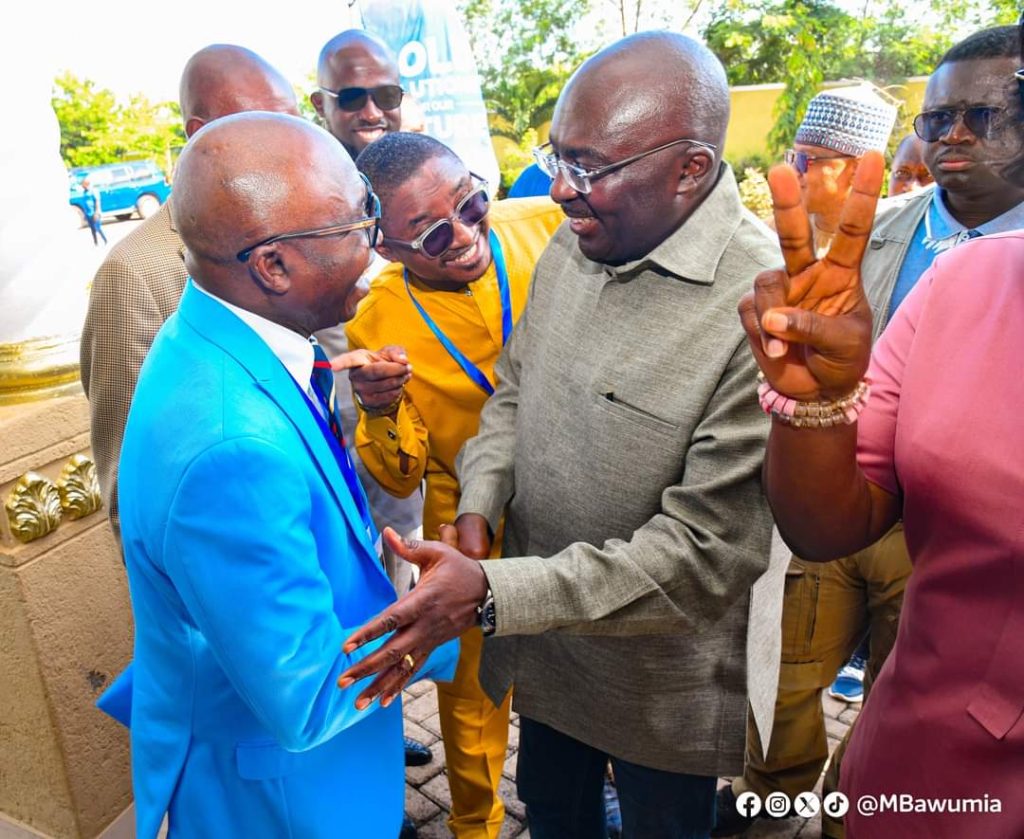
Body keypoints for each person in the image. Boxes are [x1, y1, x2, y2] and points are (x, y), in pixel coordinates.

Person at [336, 31, 789, 839]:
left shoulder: (757, 306)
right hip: (545, 653)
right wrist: (480, 500)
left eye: (588, 166)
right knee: (555, 814)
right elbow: (516, 390)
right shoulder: (578, 239)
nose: (559, 188)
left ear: (688, 167)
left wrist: (491, 591)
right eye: (556, 156)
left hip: (655, 682)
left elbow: (705, 555)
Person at [98, 112, 458, 839]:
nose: (378, 249)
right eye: (357, 226)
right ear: (272, 266)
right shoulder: (233, 449)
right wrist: (437, 615)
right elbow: (308, 694)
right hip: (289, 798)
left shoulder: (212, 330)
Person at [716, 27, 1024, 838]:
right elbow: (826, 501)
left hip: (928, 572)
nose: (954, 134)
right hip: (855, 483)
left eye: (983, 115)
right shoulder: (911, 247)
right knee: (786, 692)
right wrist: (814, 404)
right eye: (937, 117)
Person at [345, 132, 563, 838]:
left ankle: (589, 790)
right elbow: (396, 473)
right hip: (465, 521)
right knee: (472, 694)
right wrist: (378, 409)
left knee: (590, 658)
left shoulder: (550, 228)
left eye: (473, 203)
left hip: (576, 490)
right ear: (386, 245)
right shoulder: (373, 318)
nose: (467, 234)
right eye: (436, 234)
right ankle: (475, 822)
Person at [80, 44, 301, 543]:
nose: (291, 143)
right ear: (201, 136)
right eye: (263, 126)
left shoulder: (293, 237)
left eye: (294, 123)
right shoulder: (135, 273)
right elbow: (132, 492)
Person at [784, 83, 898, 256]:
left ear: (859, 170)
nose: (792, 172)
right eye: (792, 157)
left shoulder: (887, 246)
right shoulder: (776, 233)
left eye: (804, 159)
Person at [312, 30, 404, 160]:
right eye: (352, 98)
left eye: (386, 96)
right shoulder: (300, 175)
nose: (372, 115)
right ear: (320, 104)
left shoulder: (428, 173)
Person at [80, 177, 107, 246]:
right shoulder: (84, 192)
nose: (81, 186)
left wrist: (96, 212)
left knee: (97, 228)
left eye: (82, 184)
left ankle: (105, 240)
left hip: (94, 213)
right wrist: (84, 214)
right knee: (92, 229)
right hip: (88, 213)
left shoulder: (93, 190)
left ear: (86, 184)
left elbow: (97, 201)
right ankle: (96, 243)